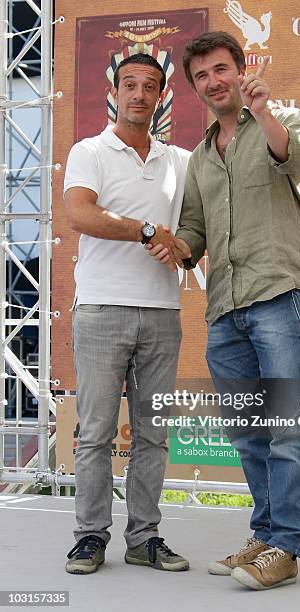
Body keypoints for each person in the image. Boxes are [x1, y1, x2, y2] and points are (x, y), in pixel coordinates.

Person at [147, 32, 300, 590]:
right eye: (202, 76)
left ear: (240, 71)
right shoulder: (198, 158)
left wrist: (263, 111)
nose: (213, 81)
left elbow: (291, 158)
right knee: (248, 432)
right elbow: (195, 230)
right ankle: (264, 535)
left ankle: (287, 547)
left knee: (285, 428)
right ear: (194, 87)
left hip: (277, 294)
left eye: (222, 69)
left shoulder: (281, 117)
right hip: (224, 308)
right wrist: (174, 245)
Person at [63, 53, 191, 575]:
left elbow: (194, 230)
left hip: (162, 312)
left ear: (162, 96)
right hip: (99, 308)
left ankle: (144, 538)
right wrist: (145, 231)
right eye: (130, 84)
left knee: (153, 434)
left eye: (150, 86)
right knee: (94, 432)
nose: (139, 94)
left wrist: (184, 247)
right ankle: (90, 536)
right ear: (115, 93)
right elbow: (79, 212)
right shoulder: (89, 150)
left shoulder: (180, 160)